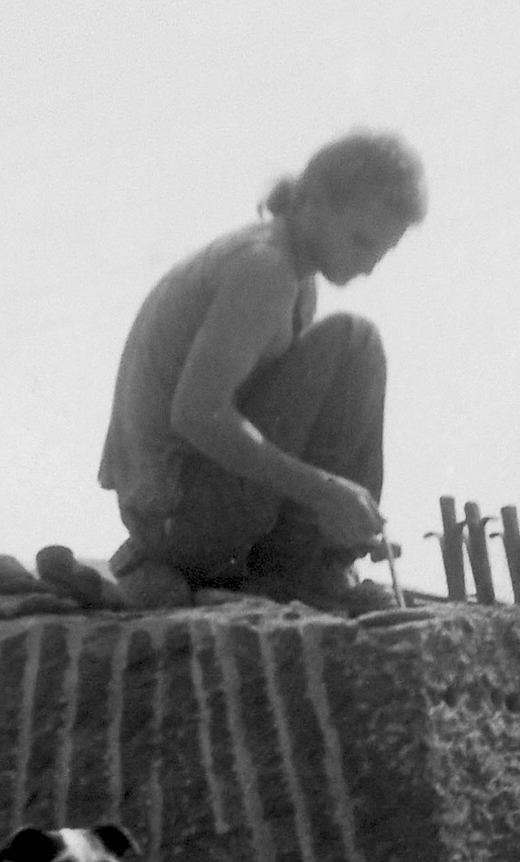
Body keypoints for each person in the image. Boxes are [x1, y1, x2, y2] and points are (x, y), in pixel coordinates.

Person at [97, 130, 426, 613]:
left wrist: (338, 509)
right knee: (354, 342)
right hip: (174, 518)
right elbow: (196, 414)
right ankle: (305, 570)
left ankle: (317, 556)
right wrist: (325, 492)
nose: (368, 267)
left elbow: (274, 422)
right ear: (312, 201)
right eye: (361, 241)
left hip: (186, 513)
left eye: (381, 252)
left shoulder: (297, 276)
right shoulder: (264, 269)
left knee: (349, 349)